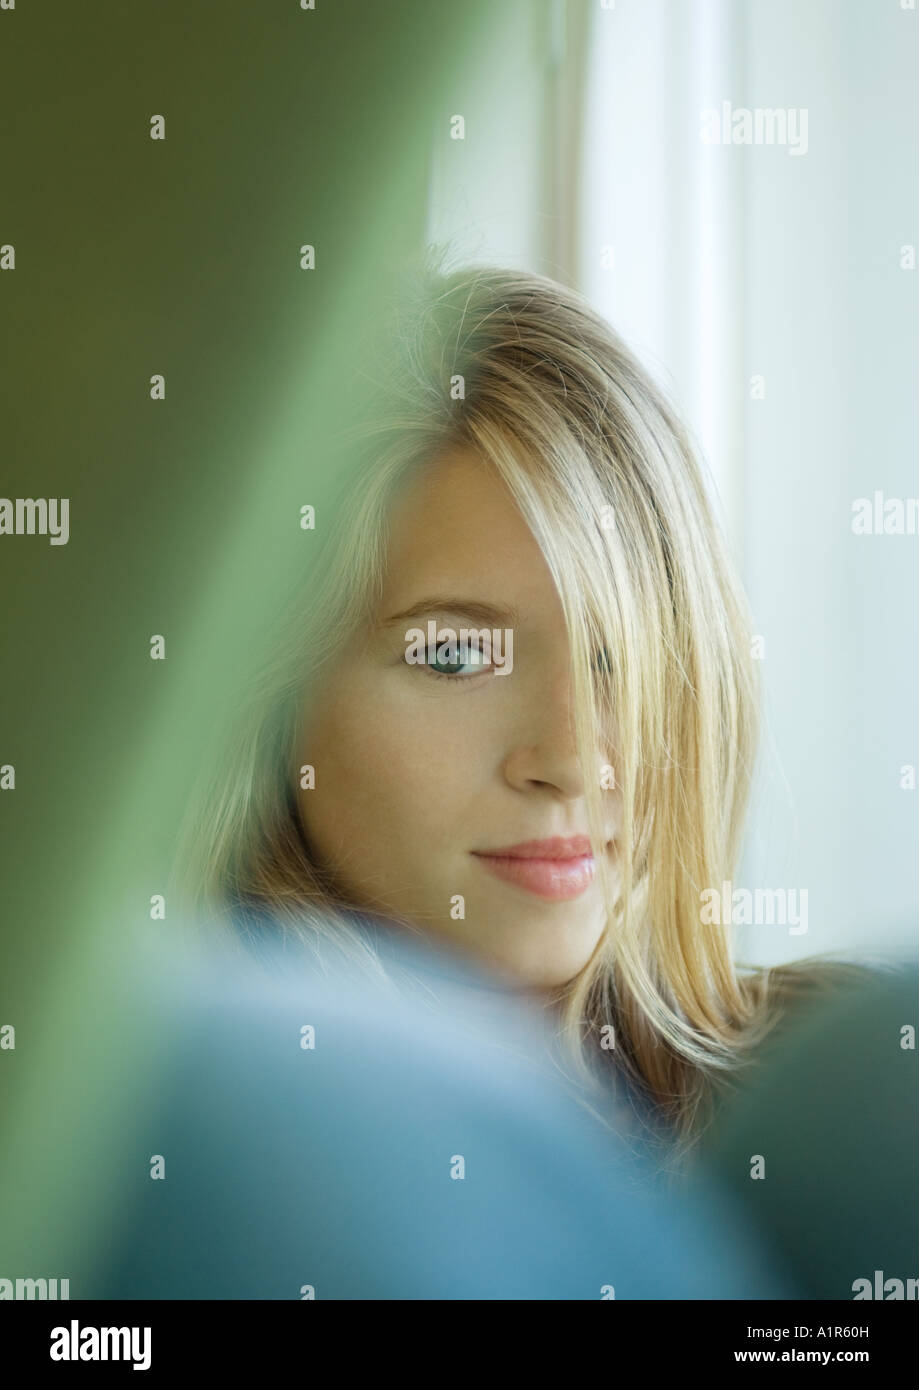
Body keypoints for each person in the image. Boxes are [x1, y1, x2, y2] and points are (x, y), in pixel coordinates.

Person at [176, 251, 868, 1161]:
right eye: (458, 656)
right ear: (270, 696)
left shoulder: (851, 1093)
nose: (573, 758)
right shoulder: (151, 1137)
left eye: (622, 656)